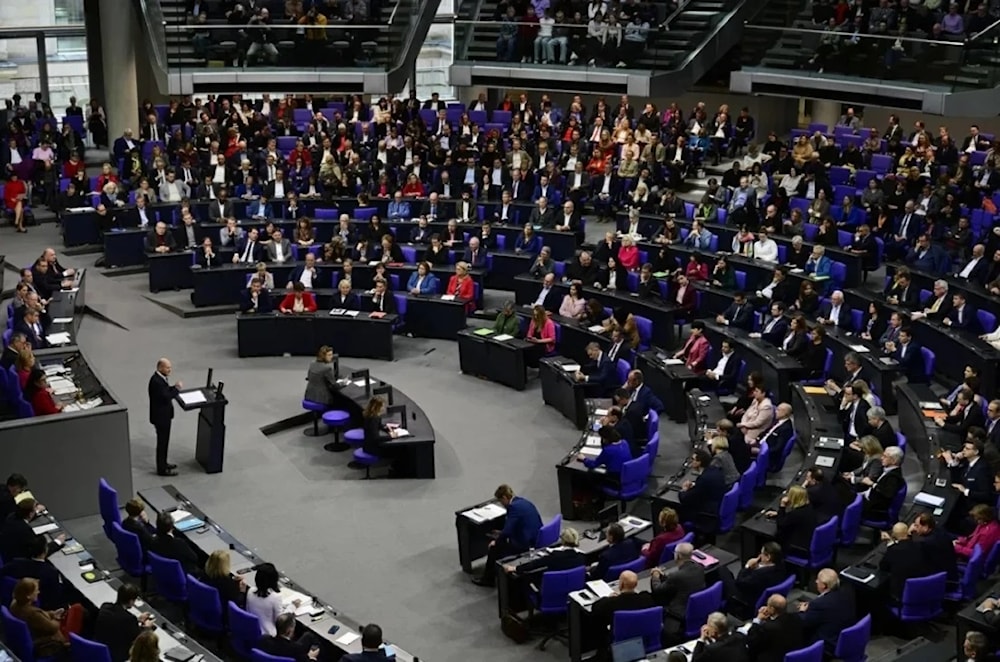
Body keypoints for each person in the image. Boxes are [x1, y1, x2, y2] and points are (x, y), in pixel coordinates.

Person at [473, 484, 542, 587]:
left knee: (494, 548)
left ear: (504, 498)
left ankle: (488, 579)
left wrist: (496, 542)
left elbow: (507, 532)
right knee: (499, 539)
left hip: (525, 544)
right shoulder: (523, 501)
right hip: (535, 537)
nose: (502, 504)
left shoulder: (513, 507)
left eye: (501, 502)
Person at [722, 542, 788, 619]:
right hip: (760, 591)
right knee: (727, 573)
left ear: (768, 557)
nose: (760, 556)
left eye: (762, 553)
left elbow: (740, 582)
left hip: (746, 597)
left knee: (722, 571)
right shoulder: (781, 567)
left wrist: (747, 566)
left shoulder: (760, 574)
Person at [9, 578, 72, 657]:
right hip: (48, 642)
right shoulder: (32, 614)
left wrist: (52, 613)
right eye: (36, 590)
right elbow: (53, 628)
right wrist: (57, 618)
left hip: (33, 635)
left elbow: (40, 618)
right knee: (77, 609)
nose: (38, 592)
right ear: (28, 596)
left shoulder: (15, 604)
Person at [0, 534, 65, 610]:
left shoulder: (15, 563)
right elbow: (54, 598)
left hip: (13, 603)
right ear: (45, 550)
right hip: (41, 610)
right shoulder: (50, 572)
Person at [94, 583, 155, 662]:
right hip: (117, 655)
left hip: (100, 648)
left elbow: (118, 622)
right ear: (130, 601)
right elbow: (138, 639)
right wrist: (147, 629)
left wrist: (137, 620)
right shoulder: (128, 619)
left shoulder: (105, 606)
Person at [796, 569, 855, 648]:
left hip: (827, 643)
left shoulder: (819, 604)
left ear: (824, 585)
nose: (816, 581)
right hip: (842, 634)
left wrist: (802, 611)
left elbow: (804, 622)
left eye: (818, 580)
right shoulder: (845, 592)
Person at [651, 542, 706, 624]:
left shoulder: (676, 575)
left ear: (678, 556)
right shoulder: (699, 567)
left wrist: (655, 576)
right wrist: (663, 576)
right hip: (698, 605)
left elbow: (657, 589)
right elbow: (678, 581)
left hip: (680, 611)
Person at [678, 449, 726, 538]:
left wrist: (683, 490)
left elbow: (686, 498)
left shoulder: (703, 479)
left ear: (699, 462)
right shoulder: (714, 470)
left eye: (693, 459)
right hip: (716, 505)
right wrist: (695, 485)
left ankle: (682, 536)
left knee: (680, 508)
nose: (691, 462)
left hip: (708, 513)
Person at [148, 358, 181, 476]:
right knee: (162, 443)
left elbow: (165, 391)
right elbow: (166, 396)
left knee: (164, 442)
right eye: (167, 368)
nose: (170, 370)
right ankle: (161, 469)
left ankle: (164, 463)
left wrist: (173, 387)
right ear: (160, 368)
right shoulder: (156, 382)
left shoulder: (160, 379)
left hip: (163, 416)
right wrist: (176, 389)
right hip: (161, 418)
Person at [746, 594, 805, 662]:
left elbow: (751, 642)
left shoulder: (767, 628)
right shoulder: (796, 618)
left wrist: (758, 619)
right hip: (792, 655)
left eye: (768, 605)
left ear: (772, 609)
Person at [590, 570, 655, 631]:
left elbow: (594, 608)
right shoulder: (647, 598)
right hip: (641, 632)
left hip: (618, 639)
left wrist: (608, 598)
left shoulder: (611, 603)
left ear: (621, 585)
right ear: (636, 584)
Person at [504, 528, 586, 575]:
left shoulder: (554, 557)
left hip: (553, 588)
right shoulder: (581, 556)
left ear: (563, 541)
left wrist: (515, 568)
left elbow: (534, 564)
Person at [765, 486, 818, 557]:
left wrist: (782, 506)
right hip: (808, 541)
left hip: (798, 548)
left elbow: (781, 524)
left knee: (773, 537)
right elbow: (792, 519)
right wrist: (779, 514)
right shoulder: (808, 507)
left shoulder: (796, 514)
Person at [247, 563, 297, 637]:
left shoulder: (250, 591)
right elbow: (280, 620)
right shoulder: (275, 597)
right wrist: (292, 606)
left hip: (252, 630)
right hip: (268, 635)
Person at [862, 446, 905, 520]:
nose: (881, 458)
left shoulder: (894, 478)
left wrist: (872, 484)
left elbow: (888, 494)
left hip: (874, 509)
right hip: (869, 496)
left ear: (894, 461)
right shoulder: (886, 469)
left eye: (885, 456)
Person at [256, 613, 321, 662]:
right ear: (289, 630)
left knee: (308, 635)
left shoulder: (264, 639)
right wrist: (311, 658)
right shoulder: (295, 649)